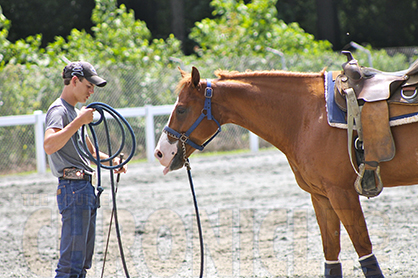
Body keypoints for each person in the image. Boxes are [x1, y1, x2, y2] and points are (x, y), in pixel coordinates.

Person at [44, 61, 127, 278]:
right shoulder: (59, 110)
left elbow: (90, 153)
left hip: (84, 189)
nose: (91, 92)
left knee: (81, 265)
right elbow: (49, 144)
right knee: (71, 265)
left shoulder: (73, 113)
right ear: (74, 81)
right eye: (89, 86)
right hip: (73, 188)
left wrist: (113, 161)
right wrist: (79, 121)